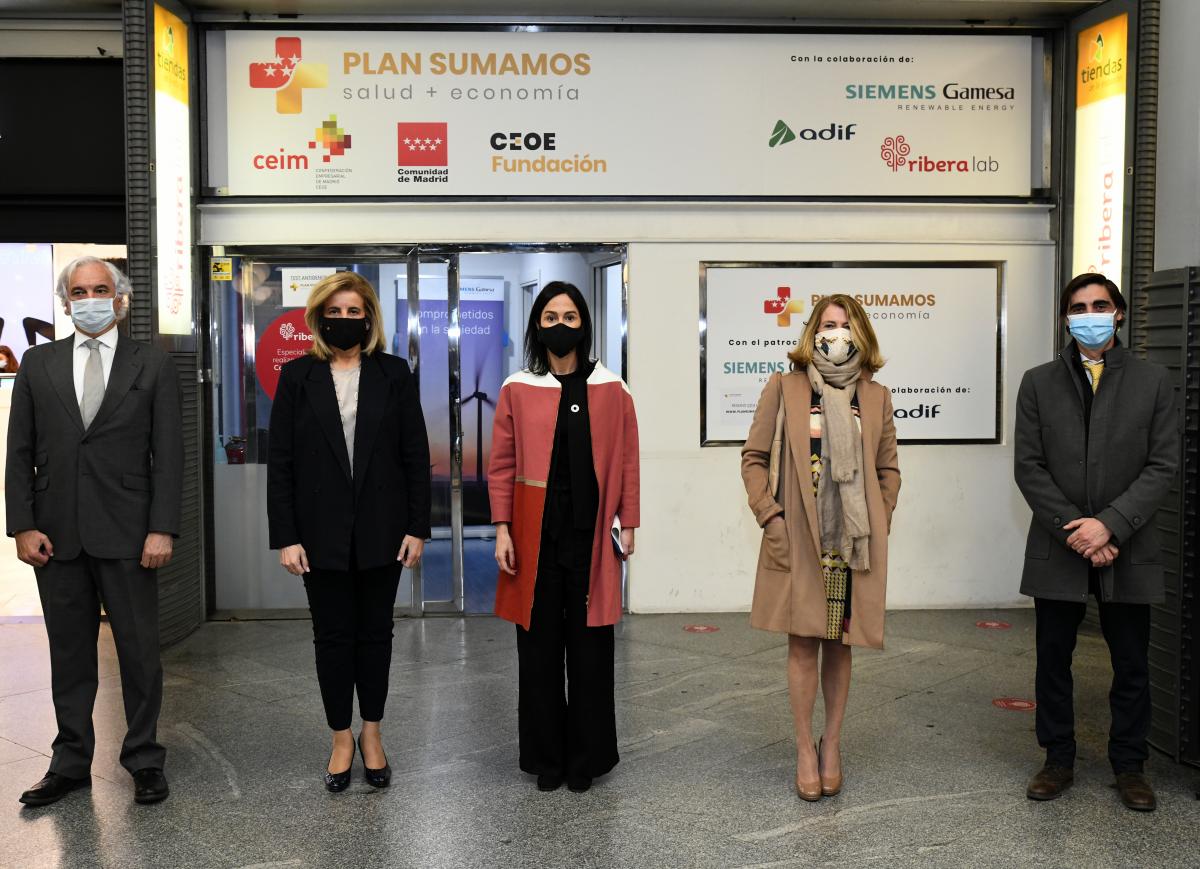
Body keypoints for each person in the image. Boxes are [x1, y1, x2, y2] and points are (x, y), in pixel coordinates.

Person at [6, 257, 182, 806]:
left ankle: (144, 759)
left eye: (99, 289)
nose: (89, 298)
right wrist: (22, 525)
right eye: (78, 291)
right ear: (65, 302)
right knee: (70, 653)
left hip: (131, 534)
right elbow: (19, 454)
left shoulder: (150, 364)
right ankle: (70, 762)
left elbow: (169, 455)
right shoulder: (38, 364)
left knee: (138, 652)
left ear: (120, 299)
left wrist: (162, 529)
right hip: (55, 536)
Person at [1015, 273, 1178, 812]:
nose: (1090, 314)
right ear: (1066, 318)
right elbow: (1030, 468)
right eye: (1079, 307)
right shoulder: (1037, 382)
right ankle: (1057, 758)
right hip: (1061, 545)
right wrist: (1079, 531)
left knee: (1131, 661)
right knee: (1052, 659)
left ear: (1119, 313)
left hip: (1125, 542)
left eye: (1100, 305)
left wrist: (1108, 525)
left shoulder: (1153, 381)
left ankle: (1129, 766)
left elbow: (1162, 465)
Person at [267, 271, 430, 793]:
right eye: (333, 313)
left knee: (376, 636)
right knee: (333, 638)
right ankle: (341, 737)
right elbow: (282, 464)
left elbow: (415, 456)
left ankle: (373, 734)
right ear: (319, 317)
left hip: (384, 531)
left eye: (353, 312)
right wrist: (286, 535)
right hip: (319, 536)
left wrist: (417, 527)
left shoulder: (394, 373)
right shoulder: (298, 377)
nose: (343, 321)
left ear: (369, 318)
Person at [741, 294, 900, 801]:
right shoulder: (784, 387)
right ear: (813, 332)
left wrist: (880, 514)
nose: (837, 333)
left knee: (840, 643)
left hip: (851, 544)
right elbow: (754, 457)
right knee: (803, 643)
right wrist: (770, 516)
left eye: (846, 325)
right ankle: (802, 748)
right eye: (828, 325)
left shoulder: (875, 396)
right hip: (802, 536)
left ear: (861, 334)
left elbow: (888, 469)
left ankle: (831, 743)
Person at [489, 281, 640, 793]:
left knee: (592, 651)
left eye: (570, 316)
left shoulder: (613, 389)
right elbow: (503, 464)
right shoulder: (517, 386)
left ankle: (586, 760)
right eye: (550, 316)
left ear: (585, 325)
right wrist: (502, 529)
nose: (560, 325)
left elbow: (629, 463)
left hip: (593, 539)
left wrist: (630, 522)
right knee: (538, 653)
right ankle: (545, 759)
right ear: (537, 325)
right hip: (534, 540)